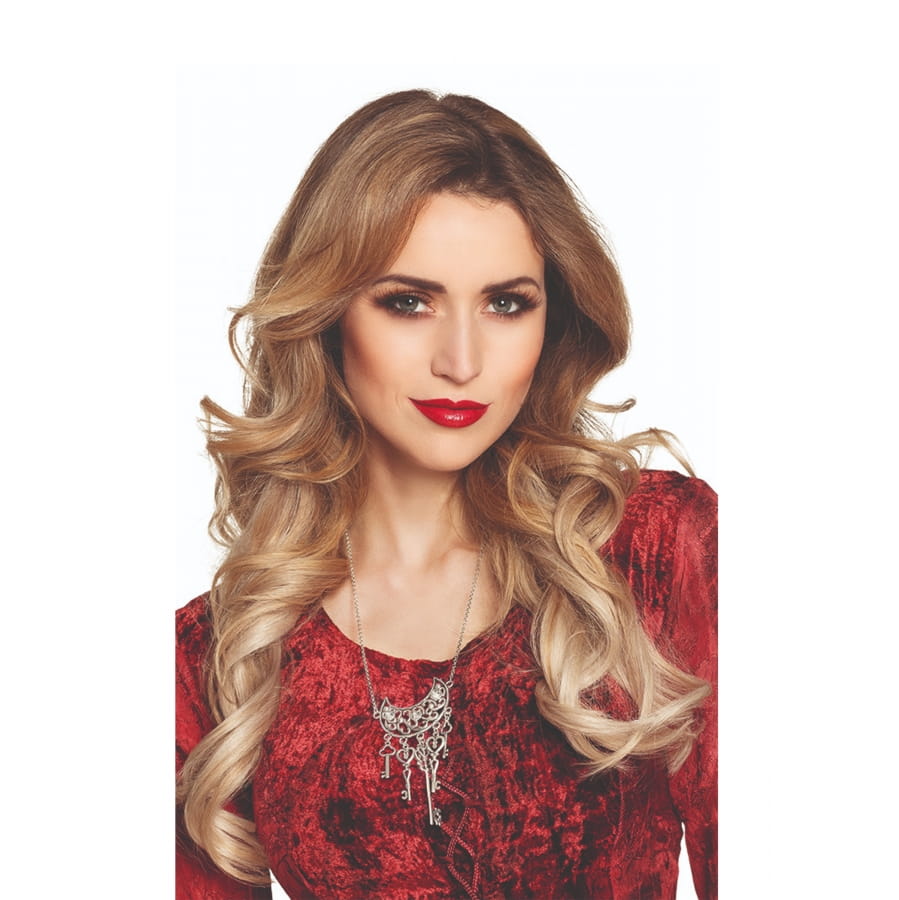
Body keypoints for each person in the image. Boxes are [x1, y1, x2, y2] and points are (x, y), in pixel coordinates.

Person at [176, 89, 717, 899]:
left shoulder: (653, 547)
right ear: (327, 315)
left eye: (506, 303)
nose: (461, 361)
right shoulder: (223, 654)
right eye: (408, 301)